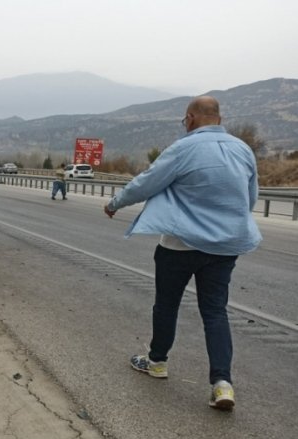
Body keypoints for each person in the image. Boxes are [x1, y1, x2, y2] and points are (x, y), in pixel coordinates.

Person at [103, 96, 262, 411]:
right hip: (224, 248)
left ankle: (157, 362)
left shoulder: (183, 148)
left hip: (179, 245)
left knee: (167, 306)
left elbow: (146, 183)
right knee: (215, 312)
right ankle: (222, 384)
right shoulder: (243, 150)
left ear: (190, 118)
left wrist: (115, 203)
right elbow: (250, 198)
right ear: (218, 117)